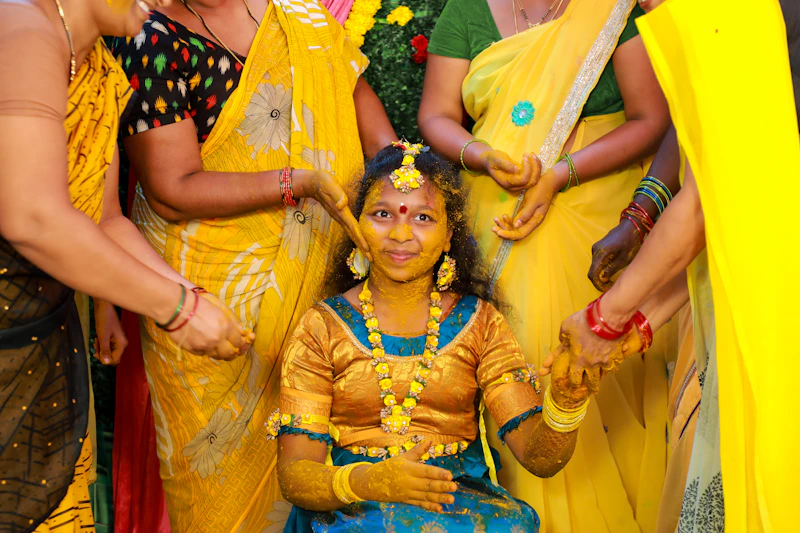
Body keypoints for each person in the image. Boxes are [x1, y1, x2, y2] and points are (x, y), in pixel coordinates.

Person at [108, 0, 397, 529]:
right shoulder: (147, 34)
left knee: (336, 467)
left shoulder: (299, 19)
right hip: (214, 300)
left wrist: (398, 176)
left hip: (325, 276)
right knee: (222, 495)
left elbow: (354, 97)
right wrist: (297, 182)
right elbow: (171, 189)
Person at [417, 0, 674, 530]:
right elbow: (436, 115)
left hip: (599, 221)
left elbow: (652, 120)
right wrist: (481, 155)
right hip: (495, 216)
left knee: (600, 370)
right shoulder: (464, 11)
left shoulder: (611, 10)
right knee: (515, 365)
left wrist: (560, 174)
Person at [544, 0, 800, 531]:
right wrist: (633, 327)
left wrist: (605, 319)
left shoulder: (736, 16)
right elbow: (729, 224)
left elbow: (709, 205)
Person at [0, 0, 252, 530]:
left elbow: (105, 218)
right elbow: (32, 217)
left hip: (41, 338)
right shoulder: (21, 27)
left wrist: (193, 294)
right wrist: (177, 309)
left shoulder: (99, 68)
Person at [274, 143, 613, 532]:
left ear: (449, 235)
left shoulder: (480, 323)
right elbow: (294, 475)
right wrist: (370, 482)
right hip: (348, 510)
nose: (401, 233)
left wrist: (566, 404)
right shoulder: (322, 327)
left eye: (423, 217)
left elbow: (539, 459)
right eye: (382, 214)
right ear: (356, 224)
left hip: (457, 506)